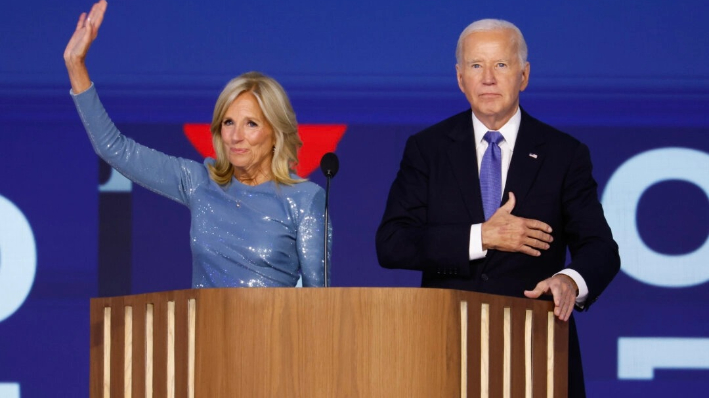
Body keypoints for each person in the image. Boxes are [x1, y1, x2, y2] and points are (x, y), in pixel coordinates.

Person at [375, 19, 619, 397]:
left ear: (524, 75)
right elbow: (392, 242)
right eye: (476, 66)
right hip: (445, 348)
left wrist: (570, 281)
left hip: (535, 347)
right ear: (460, 78)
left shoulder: (564, 154)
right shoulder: (428, 149)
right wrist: (481, 236)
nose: (488, 78)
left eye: (501, 65)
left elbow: (601, 249)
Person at [65, 1, 330, 288]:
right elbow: (114, 148)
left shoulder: (305, 199)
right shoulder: (200, 183)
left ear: (276, 132)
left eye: (251, 124)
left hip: (275, 333)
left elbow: (318, 305)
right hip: (205, 331)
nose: (236, 136)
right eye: (228, 122)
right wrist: (76, 66)